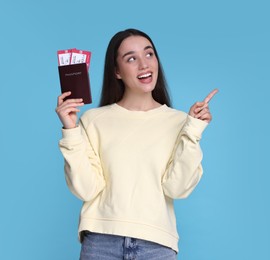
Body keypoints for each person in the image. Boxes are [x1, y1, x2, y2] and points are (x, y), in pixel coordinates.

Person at [55, 28, 217, 260]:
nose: (144, 64)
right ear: (117, 72)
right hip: (101, 241)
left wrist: (193, 130)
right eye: (131, 58)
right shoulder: (93, 120)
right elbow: (86, 189)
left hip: (157, 244)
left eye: (149, 54)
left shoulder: (180, 122)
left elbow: (178, 188)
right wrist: (71, 130)